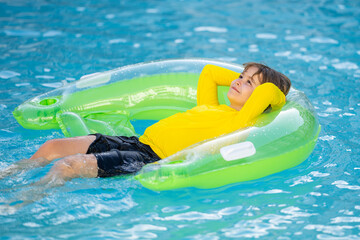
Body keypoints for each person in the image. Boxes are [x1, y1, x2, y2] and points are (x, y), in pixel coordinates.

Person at [1, 63, 291, 186]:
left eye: (249, 82)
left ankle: (24, 201)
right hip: (135, 141)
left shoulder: (242, 121)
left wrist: (272, 89)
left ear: (261, 100)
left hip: (151, 159)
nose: (238, 80)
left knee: (68, 165)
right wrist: (247, 77)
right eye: (240, 75)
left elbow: (270, 93)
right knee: (54, 146)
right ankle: (9, 174)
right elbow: (209, 72)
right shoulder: (211, 106)